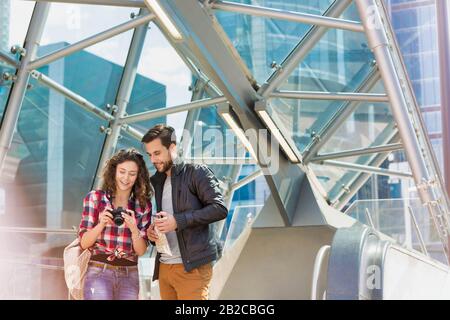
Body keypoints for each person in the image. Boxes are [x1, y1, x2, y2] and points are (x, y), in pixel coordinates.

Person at [142, 124, 228, 300]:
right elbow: (168, 218)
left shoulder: (196, 172)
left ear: (172, 148)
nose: (153, 159)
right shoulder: (157, 182)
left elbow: (219, 208)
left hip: (192, 267)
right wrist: (154, 232)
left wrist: (178, 221)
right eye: (150, 154)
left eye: (157, 153)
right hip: (165, 267)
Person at [78, 148, 153, 300]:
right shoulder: (95, 198)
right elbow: (84, 243)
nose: (126, 178)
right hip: (99, 271)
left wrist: (134, 229)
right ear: (114, 171)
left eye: (132, 174)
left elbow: (141, 251)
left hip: (129, 274)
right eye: (122, 171)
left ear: (138, 176)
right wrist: (100, 225)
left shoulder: (143, 206)